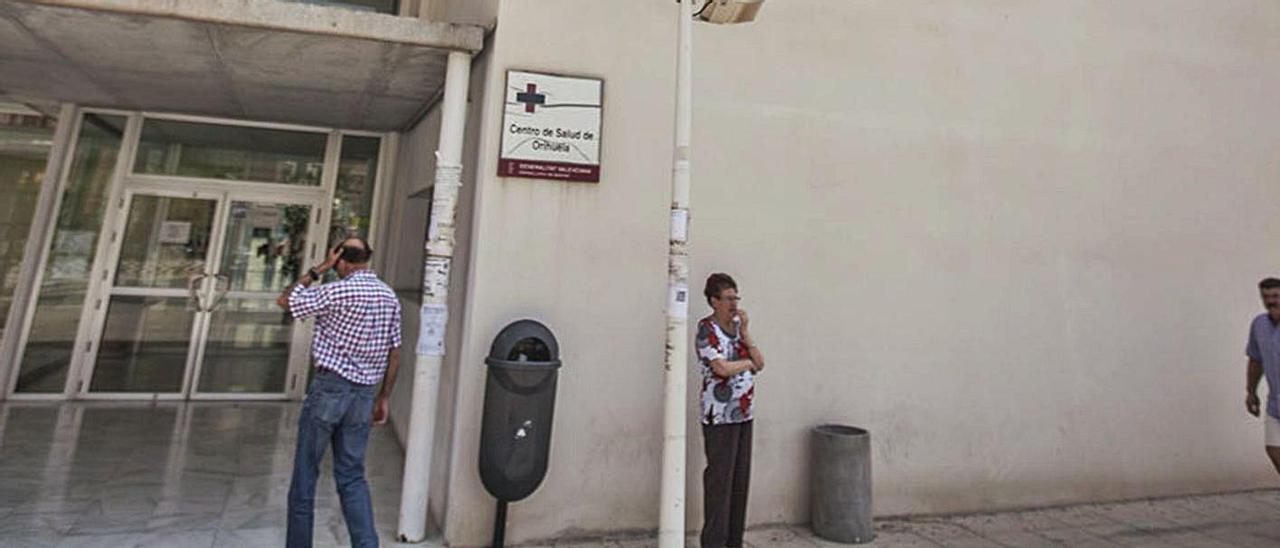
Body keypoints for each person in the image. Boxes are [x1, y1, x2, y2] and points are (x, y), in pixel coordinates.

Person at [276, 237, 402, 548]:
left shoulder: (336, 289)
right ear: (368, 258)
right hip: (363, 395)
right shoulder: (388, 296)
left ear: (341, 259)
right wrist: (384, 397)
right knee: (352, 476)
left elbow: (286, 300)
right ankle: (366, 544)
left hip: (330, 389)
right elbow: (395, 351)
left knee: (306, 473)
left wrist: (319, 269)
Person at [696, 272, 766, 548]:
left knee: (739, 479)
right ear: (714, 301)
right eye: (728, 299)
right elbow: (721, 367)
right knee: (719, 482)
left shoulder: (738, 331)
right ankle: (714, 542)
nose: (734, 304)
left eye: (736, 298)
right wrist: (746, 363)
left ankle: (734, 541)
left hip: (743, 413)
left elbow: (760, 362)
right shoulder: (707, 330)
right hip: (719, 416)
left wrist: (746, 333)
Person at [1246, 277, 1280, 476]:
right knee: (1273, 449)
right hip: (1275, 402)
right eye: (1266, 297)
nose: (1271, 301)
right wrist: (1251, 391)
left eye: (1276, 296)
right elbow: (1255, 360)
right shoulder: (1259, 325)